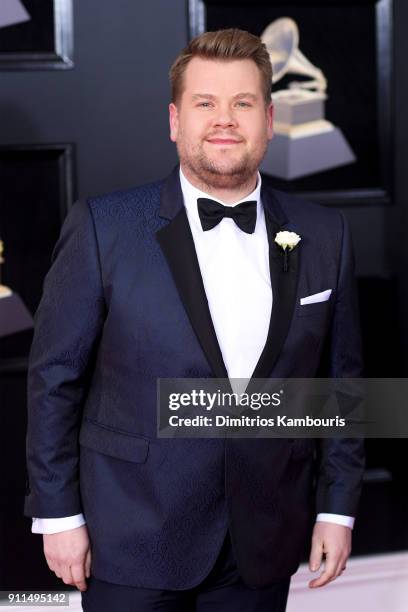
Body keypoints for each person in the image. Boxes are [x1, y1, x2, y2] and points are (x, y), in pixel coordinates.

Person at [24, 28, 365, 612]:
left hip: (262, 537)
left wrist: (337, 506)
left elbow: (342, 387)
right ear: (175, 120)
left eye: (243, 103)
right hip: (130, 536)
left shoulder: (326, 234)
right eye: (206, 103)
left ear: (269, 117)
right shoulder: (103, 227)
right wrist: (57, 513)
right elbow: (55, 380)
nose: (225, 120)